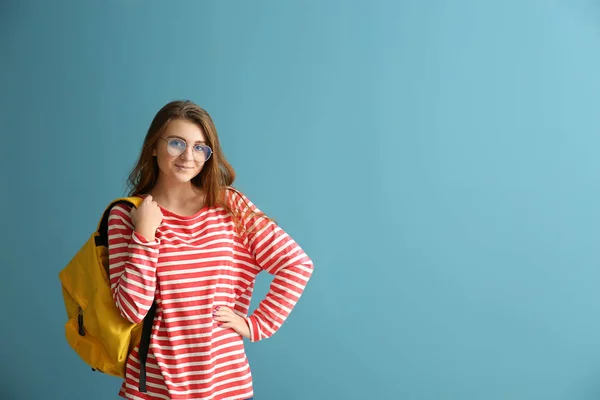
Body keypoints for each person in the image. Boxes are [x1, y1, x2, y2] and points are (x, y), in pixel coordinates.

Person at [107, 100, 314, 400]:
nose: (188, 156)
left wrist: (256, 325)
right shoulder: (126, 215)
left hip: (224, 384)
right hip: (153, 386)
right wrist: (145, 236)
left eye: (200, 147)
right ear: (154, 146)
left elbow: (296, 264)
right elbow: (130, 310)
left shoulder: (229, 206)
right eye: (177, 143)